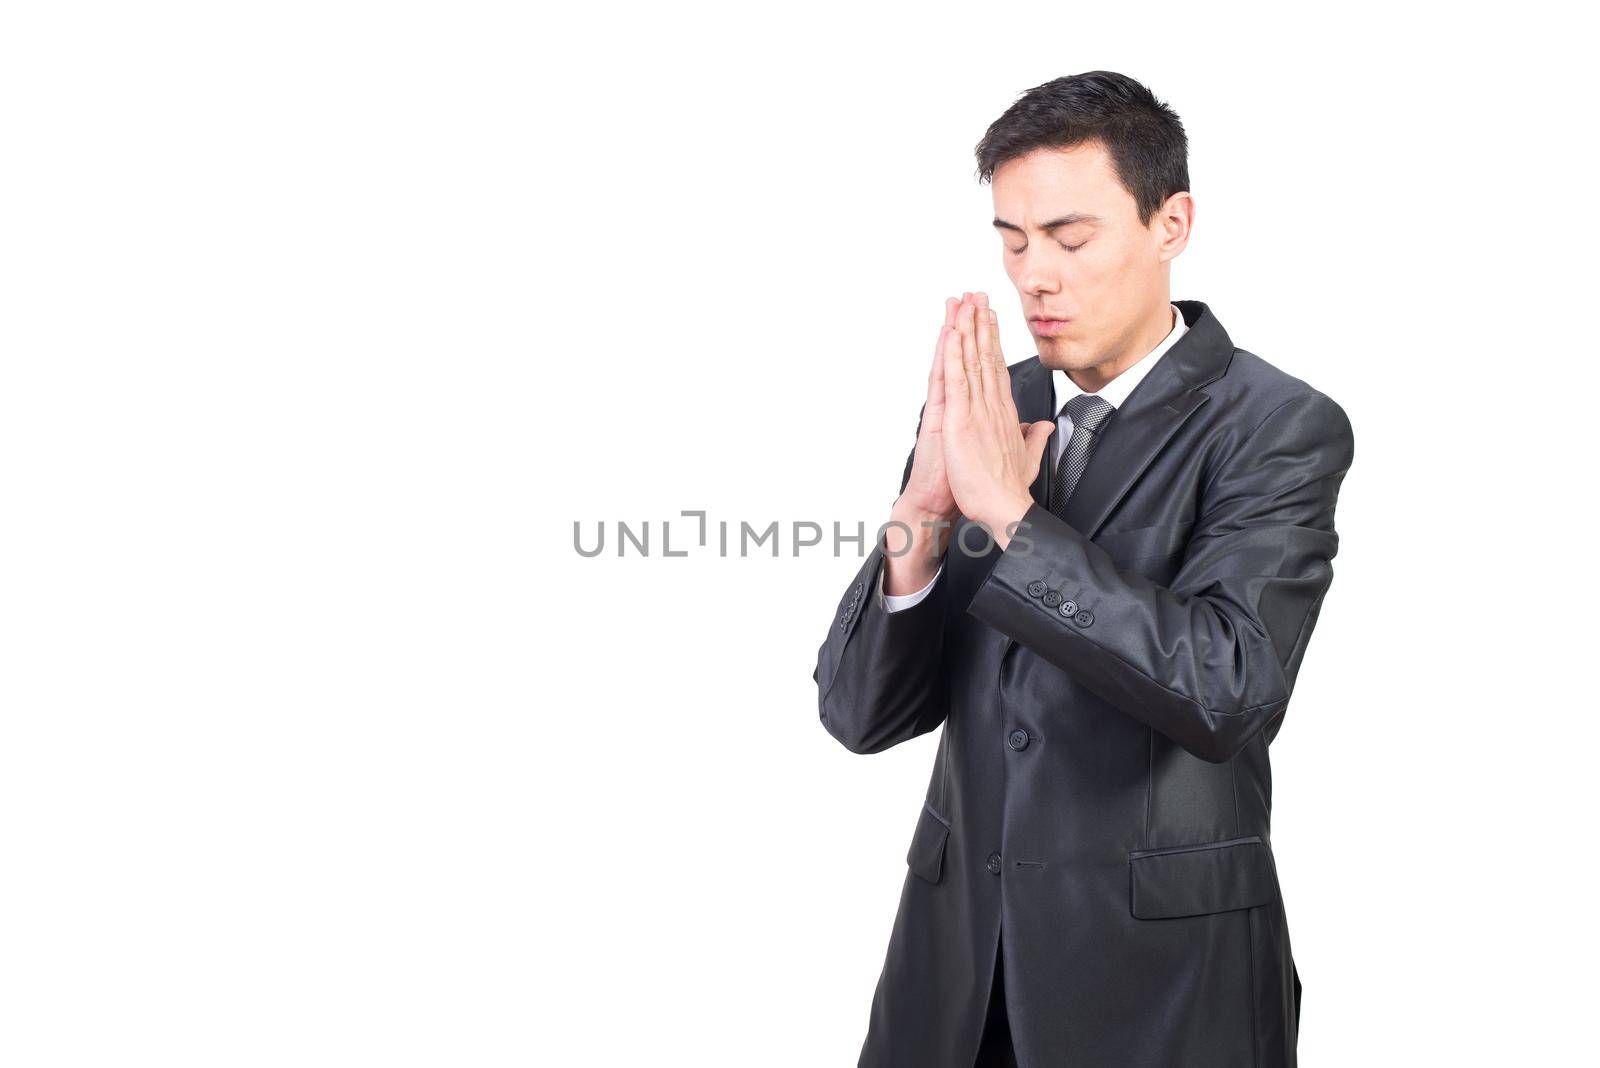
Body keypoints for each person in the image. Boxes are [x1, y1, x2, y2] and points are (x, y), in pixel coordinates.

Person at [812, 71, 1354, 1068]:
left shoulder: (1278, 427)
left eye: (1069, 238)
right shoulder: (984, 401)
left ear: (1170, 222)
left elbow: (1225, 689)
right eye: (1011, 241)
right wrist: (921, 518)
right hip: (954, 971)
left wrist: (1010, 519)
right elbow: (859, 713)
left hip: (1161, 983)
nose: (1034, 278)